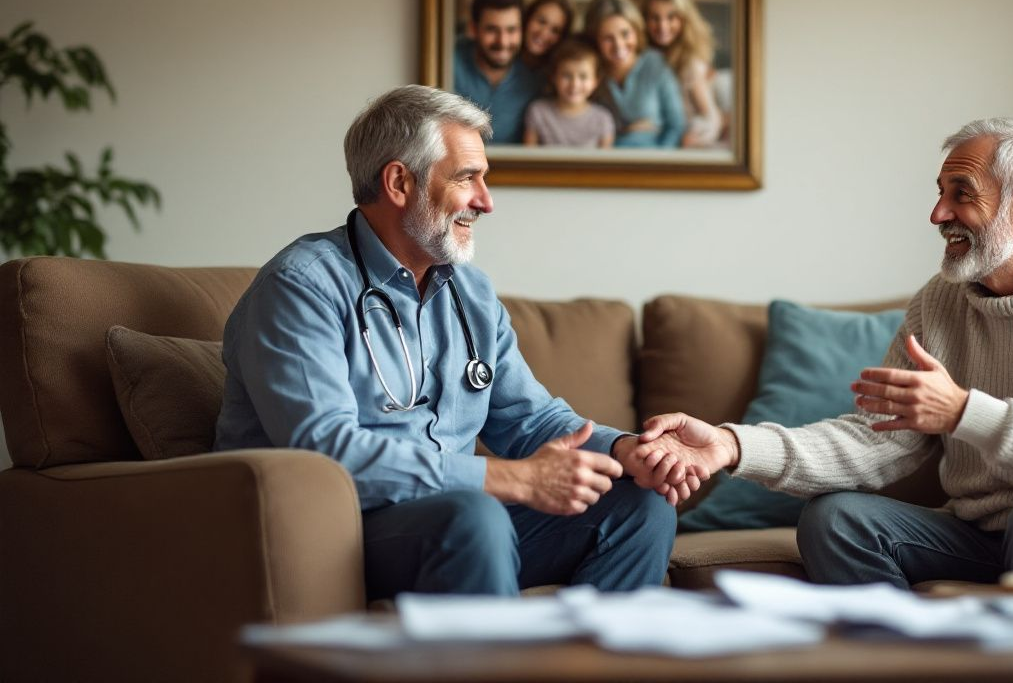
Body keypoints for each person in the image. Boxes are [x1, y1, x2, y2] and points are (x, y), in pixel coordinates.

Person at [633, 117, 1013, 589]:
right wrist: (733, 445)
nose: (938, 215)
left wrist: (961, 412)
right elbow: (873, 441)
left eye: (962, 195)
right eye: (940, 193)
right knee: (837, 521)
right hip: (985, 533)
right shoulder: (939, 303)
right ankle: (906, 661)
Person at [214, 85, 691, 598]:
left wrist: (627, 450)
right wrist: (510, 480)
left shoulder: (470, 292)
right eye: (468, 178)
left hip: (456, 519)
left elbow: (531, 420)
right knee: (474, 515)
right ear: (399, 182)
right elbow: (325, 452)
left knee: (641, 506)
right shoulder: (301, 286)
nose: (486, 201)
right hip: (335, 528)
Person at [582, 0, 685, 148]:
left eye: (625, 34)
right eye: (608, 38)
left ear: (636, 31)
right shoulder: (588, 73)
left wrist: (660, 160)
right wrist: (626, 131)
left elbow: (676, 126)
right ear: (595, 40)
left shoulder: (655, 63)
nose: (619, 45)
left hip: (653, 161)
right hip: (606, 163)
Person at [452, 0, 543, 144]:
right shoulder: (449, 61)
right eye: (492, 30)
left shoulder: (534, 78)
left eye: (511, 30)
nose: (503, 41)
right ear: (474, 29)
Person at [639, 0, 723, 148]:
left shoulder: (689, 62)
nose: (663, 26)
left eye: (671, 18)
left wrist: (697, 134)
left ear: (684, 19)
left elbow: (710, 116)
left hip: (681, 138)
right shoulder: (641, 56)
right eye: (655, 18)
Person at [523, 38, 616, 148]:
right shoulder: (538, 112)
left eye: (583, 76)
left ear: (595, 81)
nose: (574, 84)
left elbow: (606, 162)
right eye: (566, 75)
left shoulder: (603, 119)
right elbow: (528, 157)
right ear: (554, 77)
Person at [520, 0, 575, 71]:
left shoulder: (560, 73)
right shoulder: (502, 59)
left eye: (555, 30)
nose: (543, 33)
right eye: (541, 21)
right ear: (528, 18)